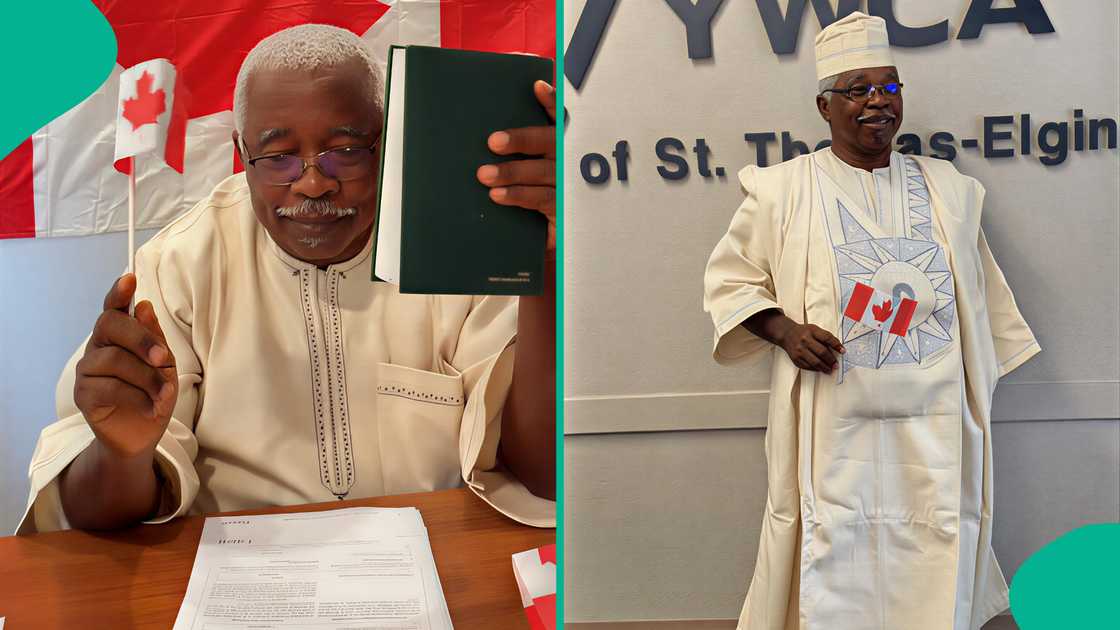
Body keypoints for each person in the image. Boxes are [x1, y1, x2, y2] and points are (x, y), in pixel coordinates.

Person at [19, 24, 556, 534]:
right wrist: (123, 454)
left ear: (389, 142)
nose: (314, 183)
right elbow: (92, 513)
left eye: (346, 151)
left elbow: (540, 474)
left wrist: (549, 265)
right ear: (241, 155)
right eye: (277, 157)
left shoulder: (459, 245)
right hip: (239, 579)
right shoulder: (179, 263)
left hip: (439, 561)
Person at [703, 12, 1039, 630]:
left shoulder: (948, 189)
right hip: (833, 423)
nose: (877, 103)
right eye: (858, 89)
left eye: (889, 87)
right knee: (836, 555)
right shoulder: (782, 190)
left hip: (935, 426)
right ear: (824, 105)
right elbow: (732, 283)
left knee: (935, 547)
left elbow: (983, 305)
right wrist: (785, 331)